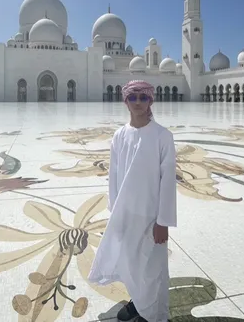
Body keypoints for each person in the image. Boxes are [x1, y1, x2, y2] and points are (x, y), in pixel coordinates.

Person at [88, 80, 177, 322]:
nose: (138, 102)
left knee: (152, 268)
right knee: (131, 264)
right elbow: (114, 177)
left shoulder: (162, 136)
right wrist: (115, 213)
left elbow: (168, 180)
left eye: (143, 97)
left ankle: (154, 314)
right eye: (133, 97)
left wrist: (164, 220)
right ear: (125, 101)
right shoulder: (119, 136)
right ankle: (139, 303)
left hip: (152, 216)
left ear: (151, 100)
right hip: (126, 214)